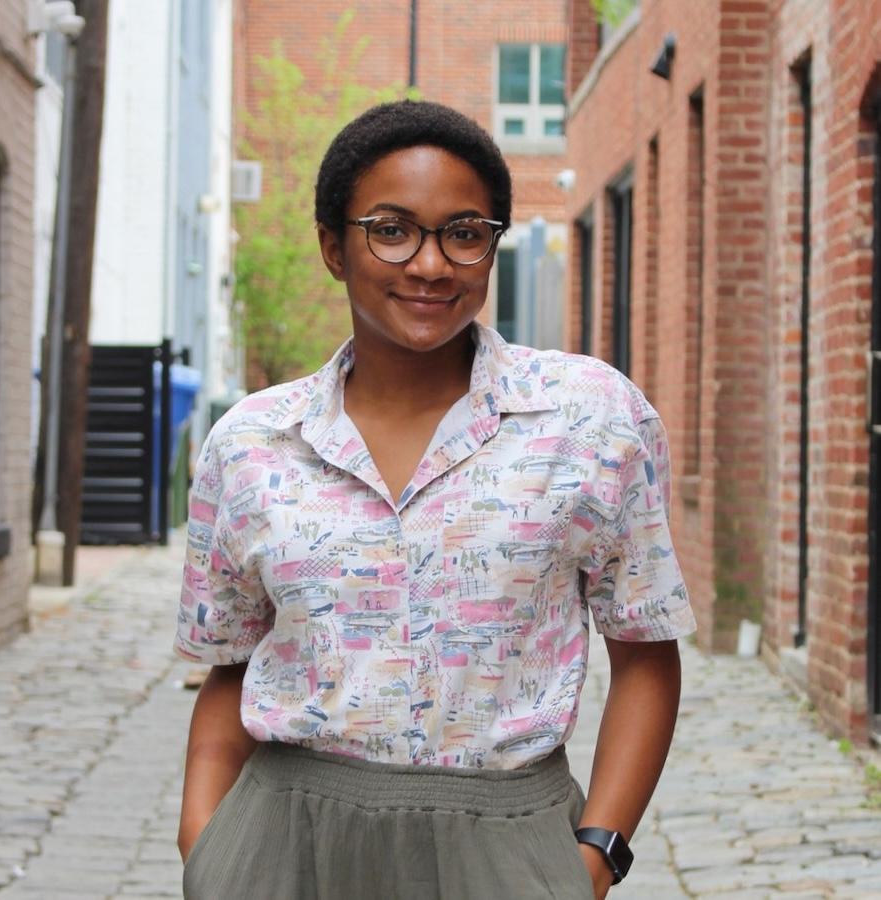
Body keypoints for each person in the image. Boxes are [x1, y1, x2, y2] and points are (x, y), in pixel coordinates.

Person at [175, 99, 696, 900]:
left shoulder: (590, 419)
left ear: (491, 247)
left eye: (463, 232)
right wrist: (207, 849)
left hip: (508, 846)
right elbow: (229, 670)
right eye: (391, 229)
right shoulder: (251, 445)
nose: (429, 264)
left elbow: (646, 654)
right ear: (333, 247)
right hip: (283, 848)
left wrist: (593, 857)